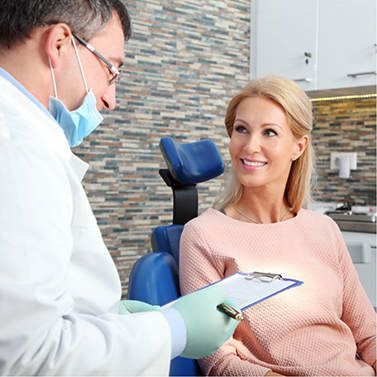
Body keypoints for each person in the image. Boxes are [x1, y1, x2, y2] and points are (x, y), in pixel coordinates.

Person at [0, 0, 241, 375]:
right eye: (111, 70)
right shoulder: (17, 152)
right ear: (60, 44)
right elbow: (29, 357)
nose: (110, 100)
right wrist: (174, 330)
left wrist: (108, 317)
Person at [179, 75, 377, 376]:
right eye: (241, 129)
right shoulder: (204, 235)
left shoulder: (324, 229)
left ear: (298, 146)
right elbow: (219, 361)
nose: (250, 146)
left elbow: (368, 334)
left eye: (269, 132)